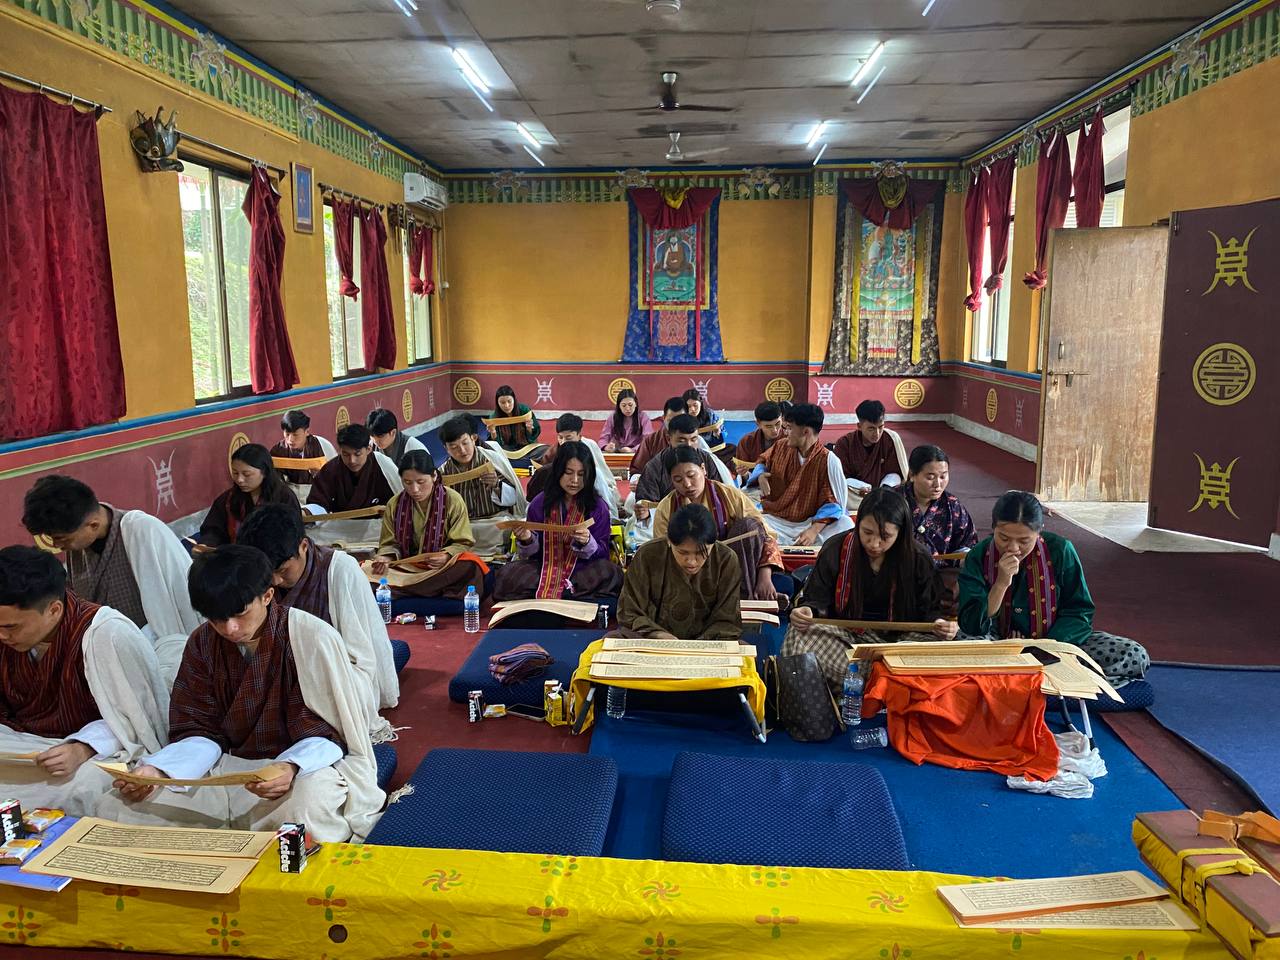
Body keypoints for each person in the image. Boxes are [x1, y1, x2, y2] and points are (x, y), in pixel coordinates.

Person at [101, 546, 384, 842]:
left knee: (308, 805)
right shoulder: (202, 642)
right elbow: (197, 729)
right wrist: (161, 771)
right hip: (225, 769)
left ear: (267, 595)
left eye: (240, 613)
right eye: (216, 619)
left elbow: (332, 731)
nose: (230, 629)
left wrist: (290, 765)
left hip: (297, 767)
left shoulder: (311, 636)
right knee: (123, 807)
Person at [0, 546, 168, 816]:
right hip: (25, 749)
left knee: (89, 784)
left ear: (54, 610)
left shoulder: (107, 633)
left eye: (11, 627)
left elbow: (139, 722)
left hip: (86, 755)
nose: (2, 636)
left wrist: (84, 747)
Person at [958, 491, 1150, 683]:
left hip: (1054, 643)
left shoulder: (1060, 550)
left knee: (1134, 654)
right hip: (998, 643)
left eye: (1024, 541)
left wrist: (1041, 647)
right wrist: (1001, 583)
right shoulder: (979, 556)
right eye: (1004, 538)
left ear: (1039, 531)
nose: (1013, 548)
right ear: (993, 528)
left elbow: (1079, 612)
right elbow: (971, 623)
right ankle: (1045, 678)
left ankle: (1016, 677)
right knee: (964, 646)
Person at [235, 503, 399, 727]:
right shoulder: (255, 575)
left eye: (282, 571)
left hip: (332, 676)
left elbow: (361, 656)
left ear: (303, 546)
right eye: (268, 573)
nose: (275, 581)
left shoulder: (340, 570)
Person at [782, 489, 955, 691]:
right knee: (799, 634)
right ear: (858, 525)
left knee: (942, 650)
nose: (874, 544)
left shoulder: (918, 558)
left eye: (885, 536)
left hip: (899, 643)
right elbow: (816, 598)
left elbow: (931, 610)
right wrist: (808, 611)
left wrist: (940, 624)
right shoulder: (836, 548)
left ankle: (870, 683)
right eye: (867, 533)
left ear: (900, 533)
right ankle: (884, 683)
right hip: (845, 639)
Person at [21, 475, 200, 643]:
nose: (56, 545)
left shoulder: (141, 531)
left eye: (61, 538)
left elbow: (181, 599)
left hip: (158, 648)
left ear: (93, 525)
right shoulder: (76, 544)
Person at [493, 441, 622, 601]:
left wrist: (588, 542)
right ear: (558, 471)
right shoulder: (539, 503)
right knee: (507, 575)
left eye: (581, 474)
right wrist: (527, 539)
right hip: (544, 568)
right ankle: (571, 595)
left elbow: (603, 554)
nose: (575, 480)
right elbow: (531, 555)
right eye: (568, 472)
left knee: (610, 573)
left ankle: (562, 593)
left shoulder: (598, 506)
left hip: (583, 570)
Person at [653, 447, 781, 602]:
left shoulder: (729, 495)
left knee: (749, 526)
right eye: (678, 480)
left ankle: (742, 597)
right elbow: (662, 553)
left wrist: (765, 577)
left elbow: (767, 536)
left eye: (691, 475)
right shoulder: (666, 508)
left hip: (737, 570)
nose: (687, 484)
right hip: (691, 573)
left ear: (703, 469)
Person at [369, 449, 486, 600]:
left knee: (470, 565)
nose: (414, 489)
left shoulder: (452, 500)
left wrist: (446, 556)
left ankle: (405, 592)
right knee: (364, 569)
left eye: (421, 482)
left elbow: (463, 542)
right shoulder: (395, 504)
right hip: (406, 570)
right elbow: (389, 544)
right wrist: (385, 558)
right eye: (407, 482)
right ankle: (426, 592)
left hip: (440, 568)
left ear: (434, 476)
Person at [617, 504, 743, 641]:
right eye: (683, 552)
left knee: (744, 649)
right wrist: (658, 635)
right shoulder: (647, 555)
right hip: (655, 640)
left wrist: (701, 644)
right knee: (613, 637)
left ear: (713, 543)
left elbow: (727, 618)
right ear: (669, 541)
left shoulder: (726, 559)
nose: (692, 562)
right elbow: (629, 611)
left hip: (709, 643)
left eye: (701, 553)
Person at [755, 403, 853, 547]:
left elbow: (834, 504)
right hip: (776, 520)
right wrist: (760, 475)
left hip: (811, 522)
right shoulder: (781, 446)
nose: (786, 432)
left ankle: (794, 542)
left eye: (790, 428)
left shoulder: (829, 461)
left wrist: (813, 530)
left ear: (805, 431)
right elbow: (762, 461)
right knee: (750, 520)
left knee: (845, 524)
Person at [632, 414, 734, 546]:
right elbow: (646, 503)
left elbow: (720, 495)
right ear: (669, 439)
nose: (689, 445)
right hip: (671, 520)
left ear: (702, 469)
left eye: (693, 439)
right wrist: (646, 513)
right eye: (682, 440)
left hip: (708, 518)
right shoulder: (655, 466)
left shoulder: (707, 460)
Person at [438, 415, 527, 555]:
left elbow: (513, 500)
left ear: (473, 438)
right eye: (454, 447)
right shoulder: (443, 472)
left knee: (505, 528)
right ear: (446, 448)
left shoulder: (491, 459)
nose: (462, 451)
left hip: (493, 521)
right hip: (463, 526)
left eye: (465, 443)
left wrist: (497, 485)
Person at [196, 443, 300, 548]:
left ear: (264, 472)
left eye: (246, 474)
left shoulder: (284, 498)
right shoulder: (228, 499)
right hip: (237, 554)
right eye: (235, 473)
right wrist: (207, 544)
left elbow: (293, 535)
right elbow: (213, 530)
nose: (239, 480)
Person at [530, 414, 621, 518]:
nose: (563, 442)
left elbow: (605, 479)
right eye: (560, 437)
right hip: (558, 498)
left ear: (579, 435)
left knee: (597, 474)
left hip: (587, 494)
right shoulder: (552, 453)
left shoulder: (590, 446)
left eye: (568, 437)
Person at [898, 445, 978, 562]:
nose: (938, 484)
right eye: (930, 477)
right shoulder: (893, 500)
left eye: (943, 476)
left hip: (941, 570)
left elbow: (969, 542)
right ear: (912, 475)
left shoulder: (952, 505)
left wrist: (963, 558)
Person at [306, 424, 400, 514]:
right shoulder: (331, 469)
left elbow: (401, 498)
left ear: (368, 449)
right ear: (340, 450)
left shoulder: (382, 464)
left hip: (378, 523)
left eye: (357, 454)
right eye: (345, 454)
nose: (352, 461)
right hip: (341, 523)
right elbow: (318, 502)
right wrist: (307, 512)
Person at [833, 399, 909, 496]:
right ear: (859, 426)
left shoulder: (890, 439)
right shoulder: (845, 443)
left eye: (880, 427)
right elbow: (840, 477)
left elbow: (897, 473)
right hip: (855, 494)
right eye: (871, 429)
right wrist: (859, 486)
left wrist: (885, 488)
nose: (877, 433)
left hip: (885, 494)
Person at [270, 410, 336, 488]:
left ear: (307, 432)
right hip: (289, 492)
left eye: (295, 435)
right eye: (287, 434)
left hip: (316, 489)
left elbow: (335, 476)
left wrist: (320, 476)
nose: (290, 439)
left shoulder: (322, 446)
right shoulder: (278, 451)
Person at [629, 396, 688, 475]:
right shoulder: (650, 441)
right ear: (664, 418)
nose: (675, 425)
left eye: (679, 420)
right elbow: (637, 471)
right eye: (670, 421)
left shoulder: (694, 440)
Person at [735, 401, 785, 485]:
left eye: (778, 424)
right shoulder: (747, 441)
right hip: (755, 485)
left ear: (782, 419)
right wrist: (744, 474)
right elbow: (746, 479)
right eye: (768, 426)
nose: (775, 430)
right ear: (758, 424)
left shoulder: (789, 439)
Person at [489, 385, 545, 459]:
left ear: (514, 400)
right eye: (502, 402)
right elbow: (496, 445)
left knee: (544, 450)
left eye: (509, 401)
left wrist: (529, 429)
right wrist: (493, 433)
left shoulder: (524, 410)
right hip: (507, 450)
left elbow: (534, 435)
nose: (506, 405)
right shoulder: (494, 417)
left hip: (526, 448)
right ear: (497, 403)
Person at [682, 388, 731, 454]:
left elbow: (723, 435)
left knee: (732, 448)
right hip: (689, 451)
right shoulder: (681, 418)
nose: (692, 409)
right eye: (689, 406)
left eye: (695, 405)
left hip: (711, 449)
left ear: (700, 404)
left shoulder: (710, 415)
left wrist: (717, 433)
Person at [600, 388, 645, 453]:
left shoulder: (643, 417)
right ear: (619, 406)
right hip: (617, 452)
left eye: (630, 405)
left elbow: (648, 440)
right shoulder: (613, 417)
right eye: (624, 405)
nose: (627, 408)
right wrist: (606, 447)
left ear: (635, 404)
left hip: (638, 452)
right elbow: (603, 438)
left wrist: (633, 450)